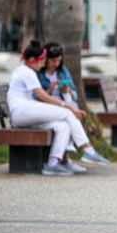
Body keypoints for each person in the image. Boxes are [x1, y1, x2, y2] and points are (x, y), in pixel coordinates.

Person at [7, 39, 110, 176]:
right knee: (67, 114)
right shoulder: (27, 72)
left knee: (63, 126)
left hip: (24, 113)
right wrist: (69, 107)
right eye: (42, 61)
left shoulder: (24, 71)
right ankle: (88, 149)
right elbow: (43, 96)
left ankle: (53, 163)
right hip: (22, 111)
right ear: (32, 60)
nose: (43, 64)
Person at [36, 42, 85, 173]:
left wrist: (66, 90)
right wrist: (50, 90)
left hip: (63, 105)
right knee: (68, 118)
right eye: (53, 60)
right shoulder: (38, 74)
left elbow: (73, 93)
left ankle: (63, 159)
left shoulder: (63, 71)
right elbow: (36, 98)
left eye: (58, 60)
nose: (56, 64)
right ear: (46, 59)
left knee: (69, 117)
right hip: (47, 107)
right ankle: (66, 158)